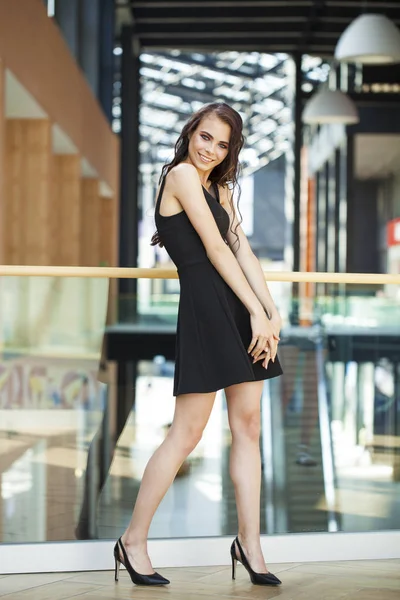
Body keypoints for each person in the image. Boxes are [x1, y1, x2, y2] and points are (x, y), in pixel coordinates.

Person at [114, 102, 283, 587]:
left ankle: (249, 545)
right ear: (192, 133)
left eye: (222, 143)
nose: (210, 149)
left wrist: (268, 312)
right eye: (205, 136)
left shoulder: (221, 188)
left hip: (240, 307)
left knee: (248, 426)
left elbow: (242, 249)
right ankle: (133, 541)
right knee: (186, 433)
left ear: (231, 150)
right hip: (208, 310)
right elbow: (212, 249)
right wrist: (254, 310)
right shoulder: (183, 176)